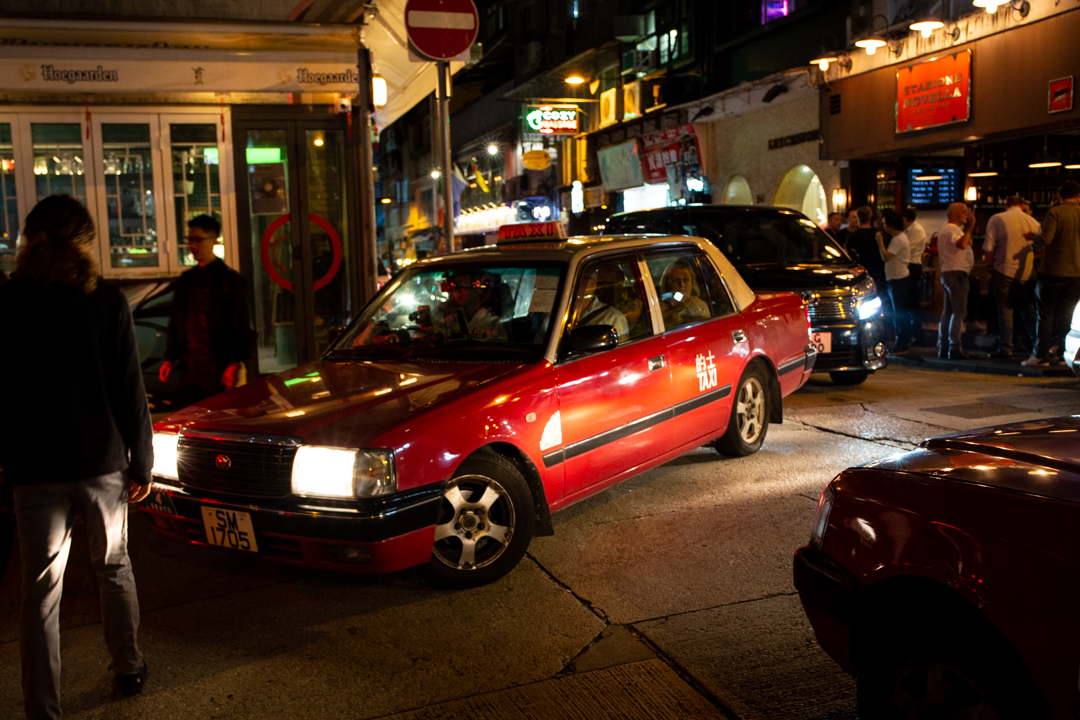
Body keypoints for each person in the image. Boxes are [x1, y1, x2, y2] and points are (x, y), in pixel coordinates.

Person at [0, 195, 152, 719]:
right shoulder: (105, 301)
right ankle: (128, 665)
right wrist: (143, 462)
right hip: (101, 462)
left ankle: (42, 706)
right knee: (113, 565)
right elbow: (129, 389)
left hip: (35, 468)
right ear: (86, 241)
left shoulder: (8, 301)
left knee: (39, 591)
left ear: (30, 241)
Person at [159, 215, 253, 405]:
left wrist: (234, 363)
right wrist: (170, 358)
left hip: (220, 368)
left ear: (214, 241)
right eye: (190, 240)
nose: (192, 245)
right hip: (191, 369)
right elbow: (177, 321)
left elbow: (241, 324)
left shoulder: (230, 281)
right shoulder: (187, 280)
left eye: (198, 240)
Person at [1022, 180, 1080, 367]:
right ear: (1078, 196)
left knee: (1045, 314)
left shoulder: (1056, 212)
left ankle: (1041, 354)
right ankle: (1063, 354)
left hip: (1054, 270)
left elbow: (1046, 238)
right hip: (1076, 271)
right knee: (1067, 313)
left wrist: (1033, 238)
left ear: (1059, 195)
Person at [983, 195, 1041, 358]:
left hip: (1003, 269)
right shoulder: (1032, 221)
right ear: (1022, 206)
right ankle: (1039, 346)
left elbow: (988, 247)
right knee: (1028, 310)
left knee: (1005, 311)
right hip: (1026, 272)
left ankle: (1006, 348)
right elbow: (1042, 245)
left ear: (1006, 206)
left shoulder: (996, 219)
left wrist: (989, 266)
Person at [937, 202, 977, 360]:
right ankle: (954, 347)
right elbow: (962, 243)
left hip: (948, 272)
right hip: (957, 273)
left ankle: (943, 346)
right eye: (965, 212)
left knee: (948, 312)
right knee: (959, 312)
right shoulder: (952, 229)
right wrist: (971, 226)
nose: (967, 215)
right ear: (956, 214)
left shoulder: (945, 228)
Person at [876, 210, 913, 352]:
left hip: (898, 279)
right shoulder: (899, 238)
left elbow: (886, 257)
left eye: (885, 224)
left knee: (899, 312)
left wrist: (879, 241)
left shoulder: (898, 239)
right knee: (898, 311)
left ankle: (901, 343)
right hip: (897, 278)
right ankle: (901, 341)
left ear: (891, 225)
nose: (884, 227)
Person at [572, 265, 629, 340]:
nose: (568, 284)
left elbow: (621, 350)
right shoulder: (561, 313)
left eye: (575, 279)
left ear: (592, 283)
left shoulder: (613, 318)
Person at [844, 206, 888, 298]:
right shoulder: (878, 234)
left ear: (858, 218)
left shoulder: (852, 237)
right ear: (870, 217)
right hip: (878, 271)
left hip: (859, 273)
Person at [901, 208, 928, 340]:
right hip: (910, 265)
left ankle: (918, 332)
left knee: (912, 300)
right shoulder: (910, 229)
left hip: (913, 266)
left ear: (908, 219)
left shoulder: (915, 230)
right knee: (910, 300)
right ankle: (915, 330)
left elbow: (907, 248)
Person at [659, 259, 710, 327]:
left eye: (686, 280)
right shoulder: (658, 305)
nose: (682, 284)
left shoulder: (699, 307)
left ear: (692, 283)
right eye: (676, 280)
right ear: (667, 283)